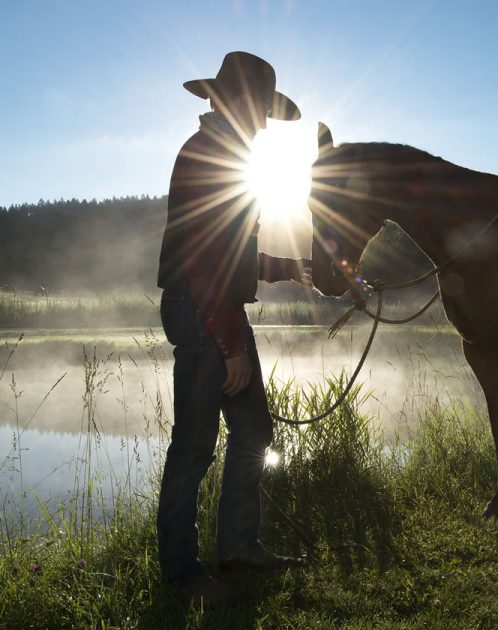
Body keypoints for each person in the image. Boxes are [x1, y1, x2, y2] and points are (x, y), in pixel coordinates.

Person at [156, 51, 308, 605]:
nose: (261, 124)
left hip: (215, 313)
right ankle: (182, 576)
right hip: (205, 315)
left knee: (253, 433)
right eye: (256, 110)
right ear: (229, 103)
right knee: (194, 448)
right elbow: (202, 260)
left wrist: (295, 268)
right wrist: (228, 342)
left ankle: (239, 545)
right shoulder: (209, 154)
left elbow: (233, 253)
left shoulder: (225, 154)